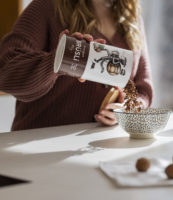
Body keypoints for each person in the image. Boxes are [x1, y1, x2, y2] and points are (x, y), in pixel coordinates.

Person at [0, 0, 153, 131]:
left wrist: (127, 108)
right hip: (38, 147)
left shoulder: (132, 18)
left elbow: (142, 88)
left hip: (101, 146)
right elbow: (6, 71)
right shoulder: (46, 7)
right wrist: (59, 59)